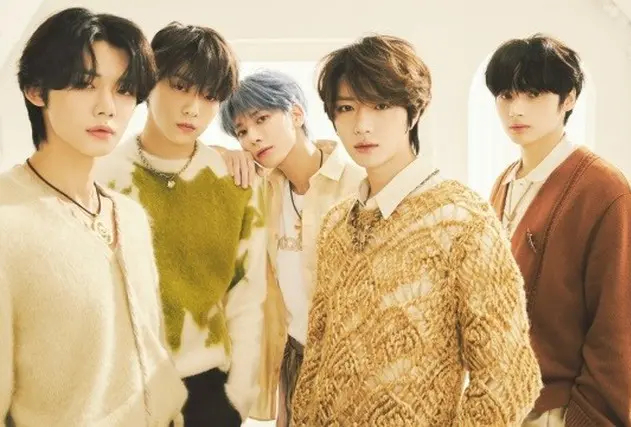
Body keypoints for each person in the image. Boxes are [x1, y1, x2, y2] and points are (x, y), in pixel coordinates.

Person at [290, 34, 542, 427]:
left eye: (381, 105)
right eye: (346, 108)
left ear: (414, 111)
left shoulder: (461, 218)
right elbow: (318, 354)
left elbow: (509, 379)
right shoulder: (336, 223)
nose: (362, 125)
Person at [0, 7, 187, 426]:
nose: (108, 108)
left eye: (124, 90)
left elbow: (152, 347)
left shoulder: (131, 216)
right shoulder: (6, 221)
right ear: (36, 90)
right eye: (86, 84)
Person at [95, 22, 267, 427]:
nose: (193, 108)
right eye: (180, 86)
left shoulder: (237, 183)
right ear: (149, 81)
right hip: (119, 389)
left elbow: (248, 294)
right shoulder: (100, 176)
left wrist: (237, 397)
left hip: (208, 391)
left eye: (209, 97)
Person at [486, 34, 631, 427]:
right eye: (505, 95)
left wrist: (589, 418)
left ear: (568, 99)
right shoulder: (505, 182)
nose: (516, 109)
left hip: (560, 410)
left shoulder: (605, 190)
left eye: (533, 94)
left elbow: (620, 327)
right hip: (504, 407)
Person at [218, 69, 365, 426]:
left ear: (296, 114)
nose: (252, 137)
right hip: (293, 356)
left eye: (261, 119)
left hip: (352, 364)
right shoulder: (262, 189)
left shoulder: (357, 184)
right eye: (241, 131)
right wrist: (220, 153)